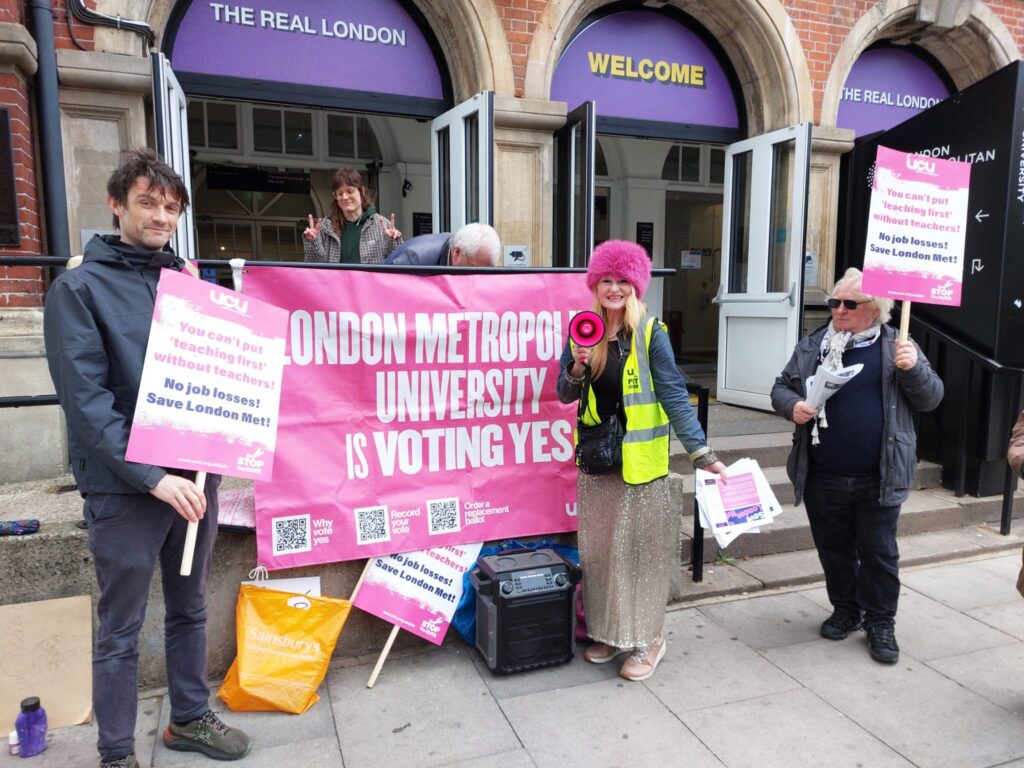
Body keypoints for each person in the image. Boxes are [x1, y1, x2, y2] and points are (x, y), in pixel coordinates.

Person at [43, 150, 252, 768]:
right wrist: (153, 478)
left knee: (190, 608)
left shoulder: (185, 280)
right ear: (116, 204)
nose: (161, 215)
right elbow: (87, 405)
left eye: (171, 206)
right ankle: (115, 755)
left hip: (193, 477)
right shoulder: (77, 289)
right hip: (125, 489)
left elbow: (218, 370)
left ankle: (187, 719)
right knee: (120, 629)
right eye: (148, 202)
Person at [557, 240, 728, 682]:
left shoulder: (651, 334)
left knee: (641, 556)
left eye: (622, 281)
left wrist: (701, 453)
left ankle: (650, 638)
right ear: (595, 285)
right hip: (597, 466)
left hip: (641, 469)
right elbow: (563, 394)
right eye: (606, 281)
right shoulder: (583, 331)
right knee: (601, 556)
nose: (613, 289)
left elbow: (673, 394)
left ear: (634, 286)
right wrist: (576, 368)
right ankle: (613, 633)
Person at [771, 267, 943, 665]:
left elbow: (932, 398)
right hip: (822, 473)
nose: (839, 310)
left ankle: (881, 622)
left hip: (879, 475)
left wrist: (913, 368)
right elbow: (781, 386)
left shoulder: (898, 346)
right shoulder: (814, 344)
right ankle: (847, 609)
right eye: (835, 302)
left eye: (850, 303)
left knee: (879, 553)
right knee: (834, 551)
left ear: (876, 309)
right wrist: (791, 406)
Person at [303, 166, 402, 264]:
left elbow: (398, 262)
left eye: (350, 191)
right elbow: (314, 267)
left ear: (361, 191)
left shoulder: (382, 225)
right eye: (340, 193)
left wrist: (394, 242)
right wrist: (312, 242)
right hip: (336, 280)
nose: (345, 197)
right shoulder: (326, 226)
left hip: (368, 280)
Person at [384, 223, 501, 267]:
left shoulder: (463, 244)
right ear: (456, 253)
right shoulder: (415, 258)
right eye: (475, 268)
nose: (480, 277)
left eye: (488, 269)